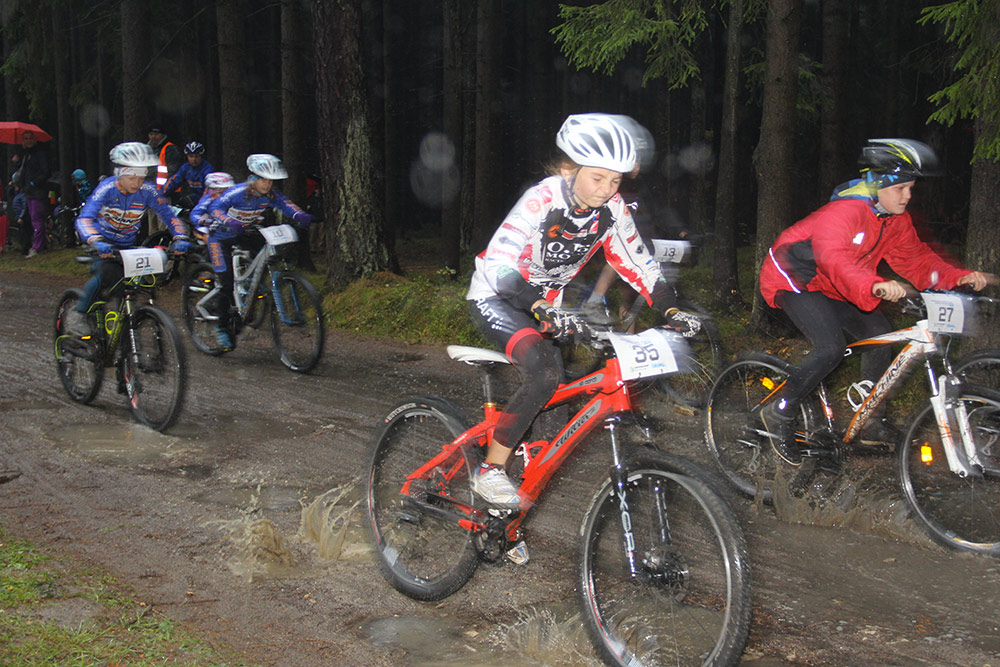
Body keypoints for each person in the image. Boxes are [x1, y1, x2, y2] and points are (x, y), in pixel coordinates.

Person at [465, 114, 687, 562]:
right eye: (598, 178)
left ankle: (504, 517)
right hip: (499, 295)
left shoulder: (613, 209)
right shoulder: (542, 198)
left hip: (548, 305)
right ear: (571, 169)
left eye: (616, 180)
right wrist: (539, 305)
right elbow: (501, 263)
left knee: (555, 415)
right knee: (545, 373)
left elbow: (638, 263)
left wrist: (672, 308)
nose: (607, 189)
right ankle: (490, 469)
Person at [758, 138, 997, 464]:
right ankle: (779, 411)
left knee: (880, 336)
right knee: (830, 347)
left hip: (836, 285)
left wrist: (960, 277)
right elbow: (835, 259)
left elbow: (918, 261)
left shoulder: (895, 220)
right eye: (900, 188)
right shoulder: (844, 212)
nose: (907, 196)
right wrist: (874, 284)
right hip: (794, 277)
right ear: (878, 185)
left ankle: (871, 420)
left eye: (911, 188)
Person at [63, 142, 192, 336]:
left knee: (138, 286)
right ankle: (78, 313)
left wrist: (180, 236)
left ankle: (128, 332)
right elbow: (84, 219)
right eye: (131, 178)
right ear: (119, 174)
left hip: (128, 246)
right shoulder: (107, 189)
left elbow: (169, 215)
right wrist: (95, 241)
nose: (136, 183)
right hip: (103, 243)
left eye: (141, 178)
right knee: (105, 275)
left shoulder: (147, 191)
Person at [206, 154, 312, 349]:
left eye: (271, 181)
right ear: (253, 178)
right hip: (220, 238)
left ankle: (249, 289)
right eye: (263, 180)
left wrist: (300, 215)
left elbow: (285, 204)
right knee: (226, 283)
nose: (267, 184)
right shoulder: (237, 192)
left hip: (244, 232)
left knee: (266, 254)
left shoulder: (269, 194)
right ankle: (220, 328)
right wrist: (228, 221)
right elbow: (215, 207)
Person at [11, 130, 51, 258]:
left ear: (35, 139)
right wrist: (17, 162)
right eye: (25, 138)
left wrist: (34, 183)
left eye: (30, 138)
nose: (28, 141)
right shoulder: (26, 155)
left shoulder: (40, 154)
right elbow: (23, 173)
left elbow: (46, 172)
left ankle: (37, 247)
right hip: (28, 192)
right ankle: (34, 245)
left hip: (37, 192)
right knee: (29, 220)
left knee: (37, 219)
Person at [162, 141, 215, 207]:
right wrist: (161, 194)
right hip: (197, 196)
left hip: (210, 198)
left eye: (197, 156)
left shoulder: (208, 169)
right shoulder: (186, 168)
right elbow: (174, 181)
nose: (194, 159)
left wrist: (200, 206)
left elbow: (209, 191)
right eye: (191, 156)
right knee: (180, 204)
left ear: (201, 157)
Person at [147, 125, 184, 191]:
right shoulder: (148, 149)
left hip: (167, 190)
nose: (153, 136)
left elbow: (172, 171)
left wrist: (166, 189)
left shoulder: (170, 149)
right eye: (151, 134)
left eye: (156, 134)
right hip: (152, 189)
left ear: (163, 135)